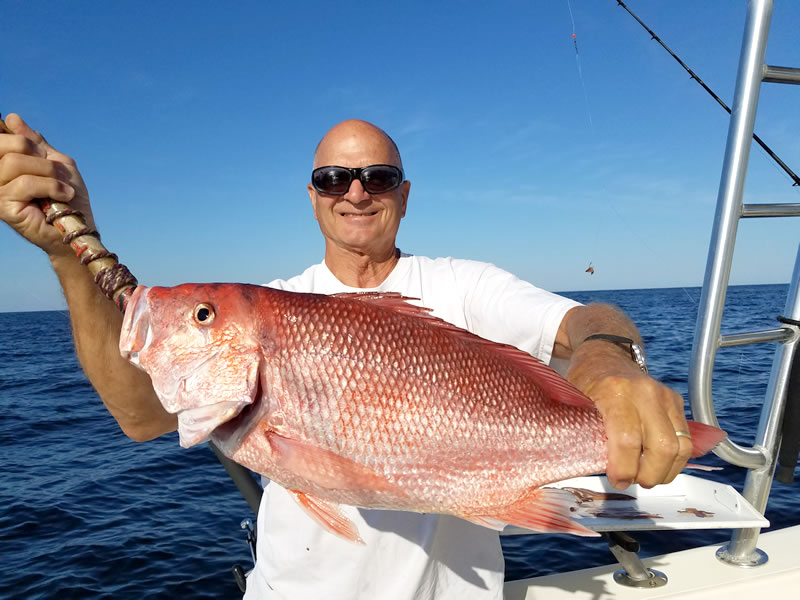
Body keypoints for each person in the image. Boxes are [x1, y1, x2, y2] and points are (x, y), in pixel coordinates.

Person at [0, 114, 692, 599]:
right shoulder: (281, 302)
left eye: (377, 176)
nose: (355, 191)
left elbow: (590, 318)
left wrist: (608, 364)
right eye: (334, 177)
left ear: (404, 193)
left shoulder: (464, 285)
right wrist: (70, 250)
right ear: (312, 196)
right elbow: (140, 414)